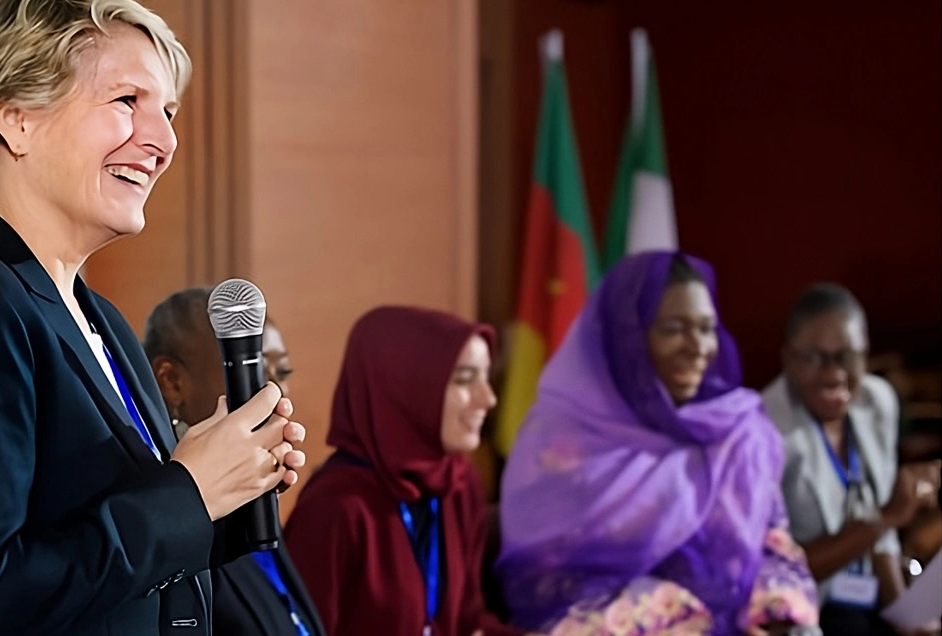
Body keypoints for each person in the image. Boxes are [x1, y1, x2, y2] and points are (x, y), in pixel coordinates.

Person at [0, 0, 307, 635]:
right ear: (17, 119)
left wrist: (229, 487)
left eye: (168, 112)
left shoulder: (102, 320)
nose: (164, 142)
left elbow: (110, 566)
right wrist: (186, 494)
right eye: (128, 100)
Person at [496, 251, 821, 636]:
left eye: (707, 328)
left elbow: (771, 546)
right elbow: (547, 585)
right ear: (628, 340)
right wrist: (685, 618)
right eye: (673, 329)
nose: (697, 347)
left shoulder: (737, 431)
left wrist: (776, 615)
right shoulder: (565, 441)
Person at [283, 306, 522, 636]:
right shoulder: (335, 507)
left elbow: (467, 623)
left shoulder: (457, 483)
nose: (489, 399)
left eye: (486, 377)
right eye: (465, 380)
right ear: (406, 385)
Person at [762, 283, 941, 636]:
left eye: (847, 356)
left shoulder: (877, 401)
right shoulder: (765, 431)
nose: (833, 373)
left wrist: (905, 615)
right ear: (788, 359)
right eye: (813, 358)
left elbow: (883, 533)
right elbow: (774, 575)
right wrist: (885, 517)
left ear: (866, 353)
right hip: (803, 609)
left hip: (866, 592)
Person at [144, 287, 324, 636]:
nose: (276, 393)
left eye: (283, 373)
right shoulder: (168, 521)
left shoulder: (258, 508)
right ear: (172, 382)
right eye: (257, 372)